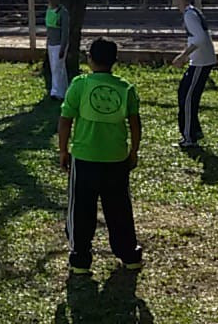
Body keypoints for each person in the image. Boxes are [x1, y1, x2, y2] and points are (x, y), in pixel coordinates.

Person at [58, 38, 143, 275]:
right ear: (115, 61)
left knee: (81, 209)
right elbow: (135, 124)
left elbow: (65, 120)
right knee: (119, 208)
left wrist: (63, 150)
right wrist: (133, 151)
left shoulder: (80, 85)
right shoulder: (126, 88)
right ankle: (130, 255)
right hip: (116, 159)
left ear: (90, 59)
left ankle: (80, 260)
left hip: (84, 158)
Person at [170, 0, 217, 148]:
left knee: (188, 99)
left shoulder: (189, 15)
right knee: (184, 93)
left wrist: (183, 56)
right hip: (199, 61)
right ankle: (194, 131)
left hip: (200, 62)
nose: (173, 0)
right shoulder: (191, 12)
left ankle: (189, 138)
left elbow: (200, 39)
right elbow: (197, 38)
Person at [46, 0, 71, 101]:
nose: (50, 1)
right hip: (51, 44)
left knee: (57, 68)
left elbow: (65, 32)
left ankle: (56, 92)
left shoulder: (63, 13)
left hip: (59, 44)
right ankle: (63, 90)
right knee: (57, 68)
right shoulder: (49, 10)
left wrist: (63, 47)